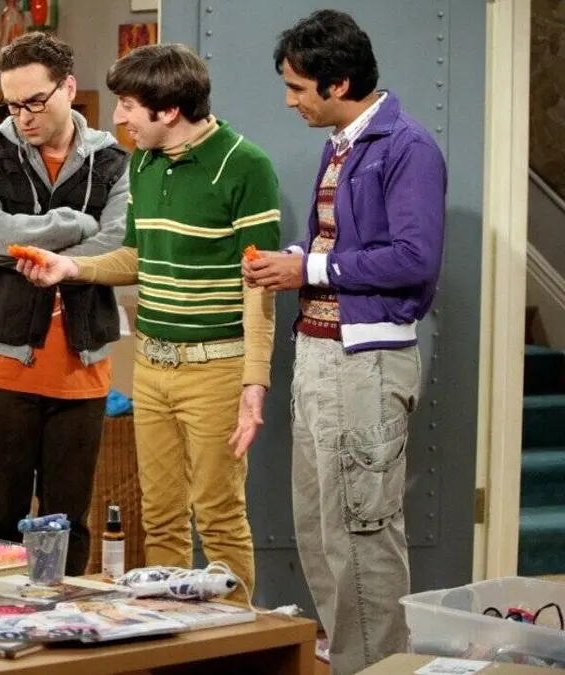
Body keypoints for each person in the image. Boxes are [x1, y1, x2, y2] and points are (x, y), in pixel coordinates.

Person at [15, 43, 281, 604]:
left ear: (170, 110)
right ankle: (170, 633)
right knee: (159, 516)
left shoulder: (246, 165)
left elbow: (260, 286)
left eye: (129, 105)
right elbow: (138, 256)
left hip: (215, 369)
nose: (118, 117)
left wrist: (253, 384)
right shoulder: (144, 160)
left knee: (219, 517)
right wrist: (72, 267)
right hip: (152, 367)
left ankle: (236, 638)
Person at [246, 11, 446, 674]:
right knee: (321, 527)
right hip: (320, 355)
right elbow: (342, 244)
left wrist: (307, 268)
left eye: (298, 87)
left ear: (338, 84)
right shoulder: (345, 143)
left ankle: (377, 666)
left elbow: (413, 258)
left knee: (363, 531)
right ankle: (351, 660)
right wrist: (295, 257)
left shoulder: (407, 147)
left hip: (367, 362)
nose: (290, 100)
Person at [0, 31, 130, 575]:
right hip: (2, 363)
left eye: (35, 101)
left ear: (68, 88)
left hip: (82, 365)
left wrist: (46, 251)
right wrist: (73, 224)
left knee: (68, 521)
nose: (23, 117)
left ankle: (64, 617)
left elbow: (120, 243)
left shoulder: (113, 162)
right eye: (12, 105)